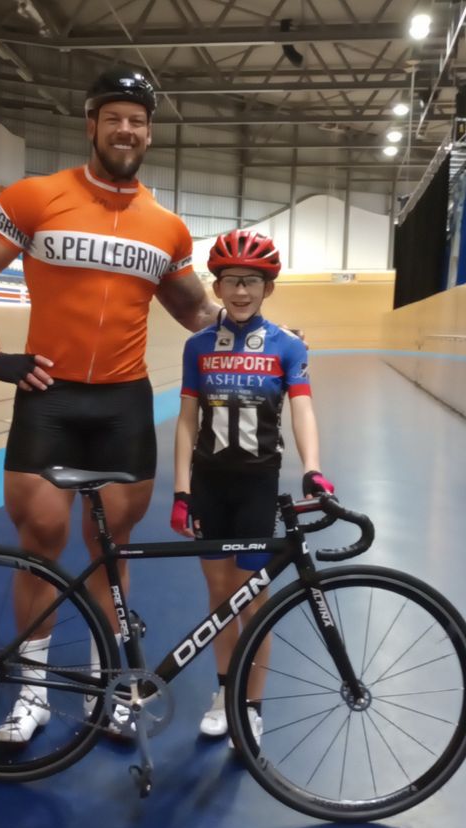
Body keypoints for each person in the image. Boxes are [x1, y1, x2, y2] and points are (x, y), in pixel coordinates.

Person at [0, 68, 222, 744]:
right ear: (92, 123)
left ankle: (111, 687)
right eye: (115, 117)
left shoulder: (166, 227)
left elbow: (194, 309)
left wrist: (261, 342)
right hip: (50, 397)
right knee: (40, 543)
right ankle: (33, 694)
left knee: (112, 550)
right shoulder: (37, 197)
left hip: (123, 406)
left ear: (149, 133)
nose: (127, 129)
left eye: (139, 120)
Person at [169, 229, 333, 745]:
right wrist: (180, 490)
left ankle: (253, 706)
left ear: (269, 288)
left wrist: (313, 467)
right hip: (210, 486)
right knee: (219, 597)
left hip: (258, 488)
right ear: (216, 287)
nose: (241, 291)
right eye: (230, 281)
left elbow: (302, 406)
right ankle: (224, 692)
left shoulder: (288, 346)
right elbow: (186, 419)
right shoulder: (197, 346)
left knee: (253, 603)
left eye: (252, 282)